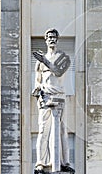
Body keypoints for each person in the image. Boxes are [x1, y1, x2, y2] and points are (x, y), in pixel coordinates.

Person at [32, 28, 75, 174]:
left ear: (57, 40)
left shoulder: (63, 57)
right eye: (49, 37)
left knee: (62, 131)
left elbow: (58, 71)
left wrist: (44, 60)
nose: (51, 39)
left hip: (60, 97)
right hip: (45, 97)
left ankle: (64, 162)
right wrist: (37, 89)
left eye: (54, 37)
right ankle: (40, 163)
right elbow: (38, 81)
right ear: (45, 39)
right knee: (43, 130)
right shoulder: (39, 63)